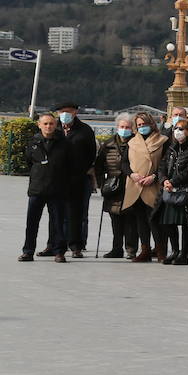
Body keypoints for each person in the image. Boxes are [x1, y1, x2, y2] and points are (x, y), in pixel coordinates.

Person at [18, 113, 72, 262]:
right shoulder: (33, 142)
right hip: (37, 189)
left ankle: (59, 252)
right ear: (39, 125)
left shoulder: (64, 143)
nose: (48, 126)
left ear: (56, 125)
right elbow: (29, 161)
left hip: (57, 189)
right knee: (31, 223)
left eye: (51, 123)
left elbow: (70, 165)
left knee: (58, 223)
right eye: (45, 123)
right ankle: (28, 251)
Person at [53, 102, 96, 259]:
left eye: (68, 111)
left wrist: (82, 170)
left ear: (75, 112)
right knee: (56, 213)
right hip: (56, 178)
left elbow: (92, 153)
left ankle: (76, 246)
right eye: (61, 112)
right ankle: (54, 245)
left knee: (77, 213)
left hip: (78, 178)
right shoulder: (54, 128)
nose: (65, 114)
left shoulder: (85, 130)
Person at [155, 118, 188, 265]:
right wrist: (164, 180)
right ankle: (174, 250)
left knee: (186, 224)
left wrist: (174, 181)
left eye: (182, 129)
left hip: (185, 190)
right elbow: (162, 166)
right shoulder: (172, 147)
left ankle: (184, 253)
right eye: (176, 129)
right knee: (169, 222)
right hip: (169, 189)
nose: (178, 132)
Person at [125, 111, 167, 263]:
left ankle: (160, 250)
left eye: (144, 124)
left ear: (151, 124)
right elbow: (124, 163)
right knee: (140, 220)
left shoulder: (162, 140)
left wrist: (154, 176)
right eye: (139, 125)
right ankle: (145, 250)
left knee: (154, 219)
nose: (142, 127)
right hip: (136, 185)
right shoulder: (131, 142)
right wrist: (132, 174)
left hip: (153, 184)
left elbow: (165, 163)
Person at [98, 116, 135, 258]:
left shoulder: (136, 144)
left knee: (131, 220)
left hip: (130, 185)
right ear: (117, 127)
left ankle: (131, 249)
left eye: (127, 127)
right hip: (112, 186)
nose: (124, 130)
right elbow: (99, 166)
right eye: (122, 127)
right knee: (115, 219)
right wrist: (102, 184)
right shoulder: (108, 144)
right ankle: (116, 248)